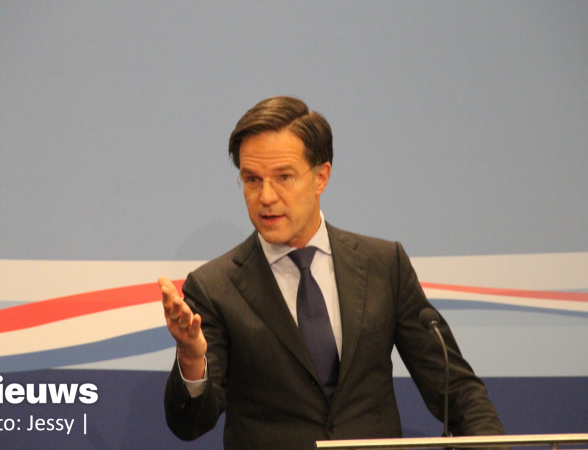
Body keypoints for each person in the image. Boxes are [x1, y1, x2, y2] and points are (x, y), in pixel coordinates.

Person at [159, 96, 505, 449]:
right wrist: (191, 358)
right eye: (252, 179)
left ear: (321, 177)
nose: (266, 197)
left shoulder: (384, 265)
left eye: (284, 177)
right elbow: (190, 424)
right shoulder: (215, 287)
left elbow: (455, 389)